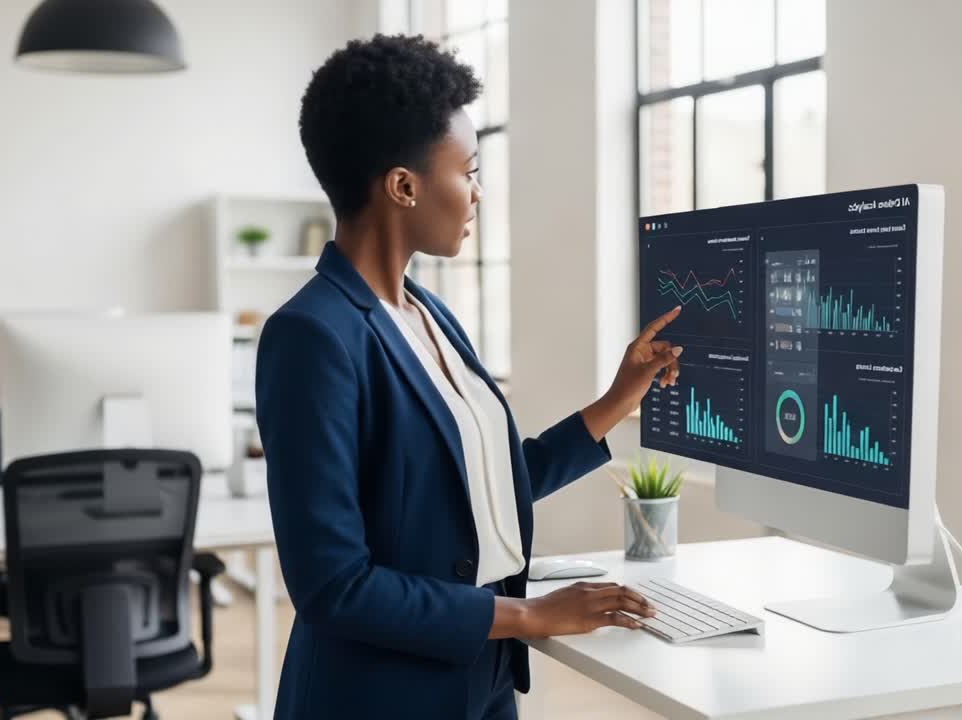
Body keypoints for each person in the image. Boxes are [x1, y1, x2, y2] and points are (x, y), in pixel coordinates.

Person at [255, 34, 684, 720]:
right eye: (470, 169)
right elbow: (332, 585)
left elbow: (487, 484)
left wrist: (616, 399)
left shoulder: (430, 314)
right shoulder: (311, 336)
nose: (478, 193)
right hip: (378, 695)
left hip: (478, 679)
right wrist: (526, 615)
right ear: (403, 185)